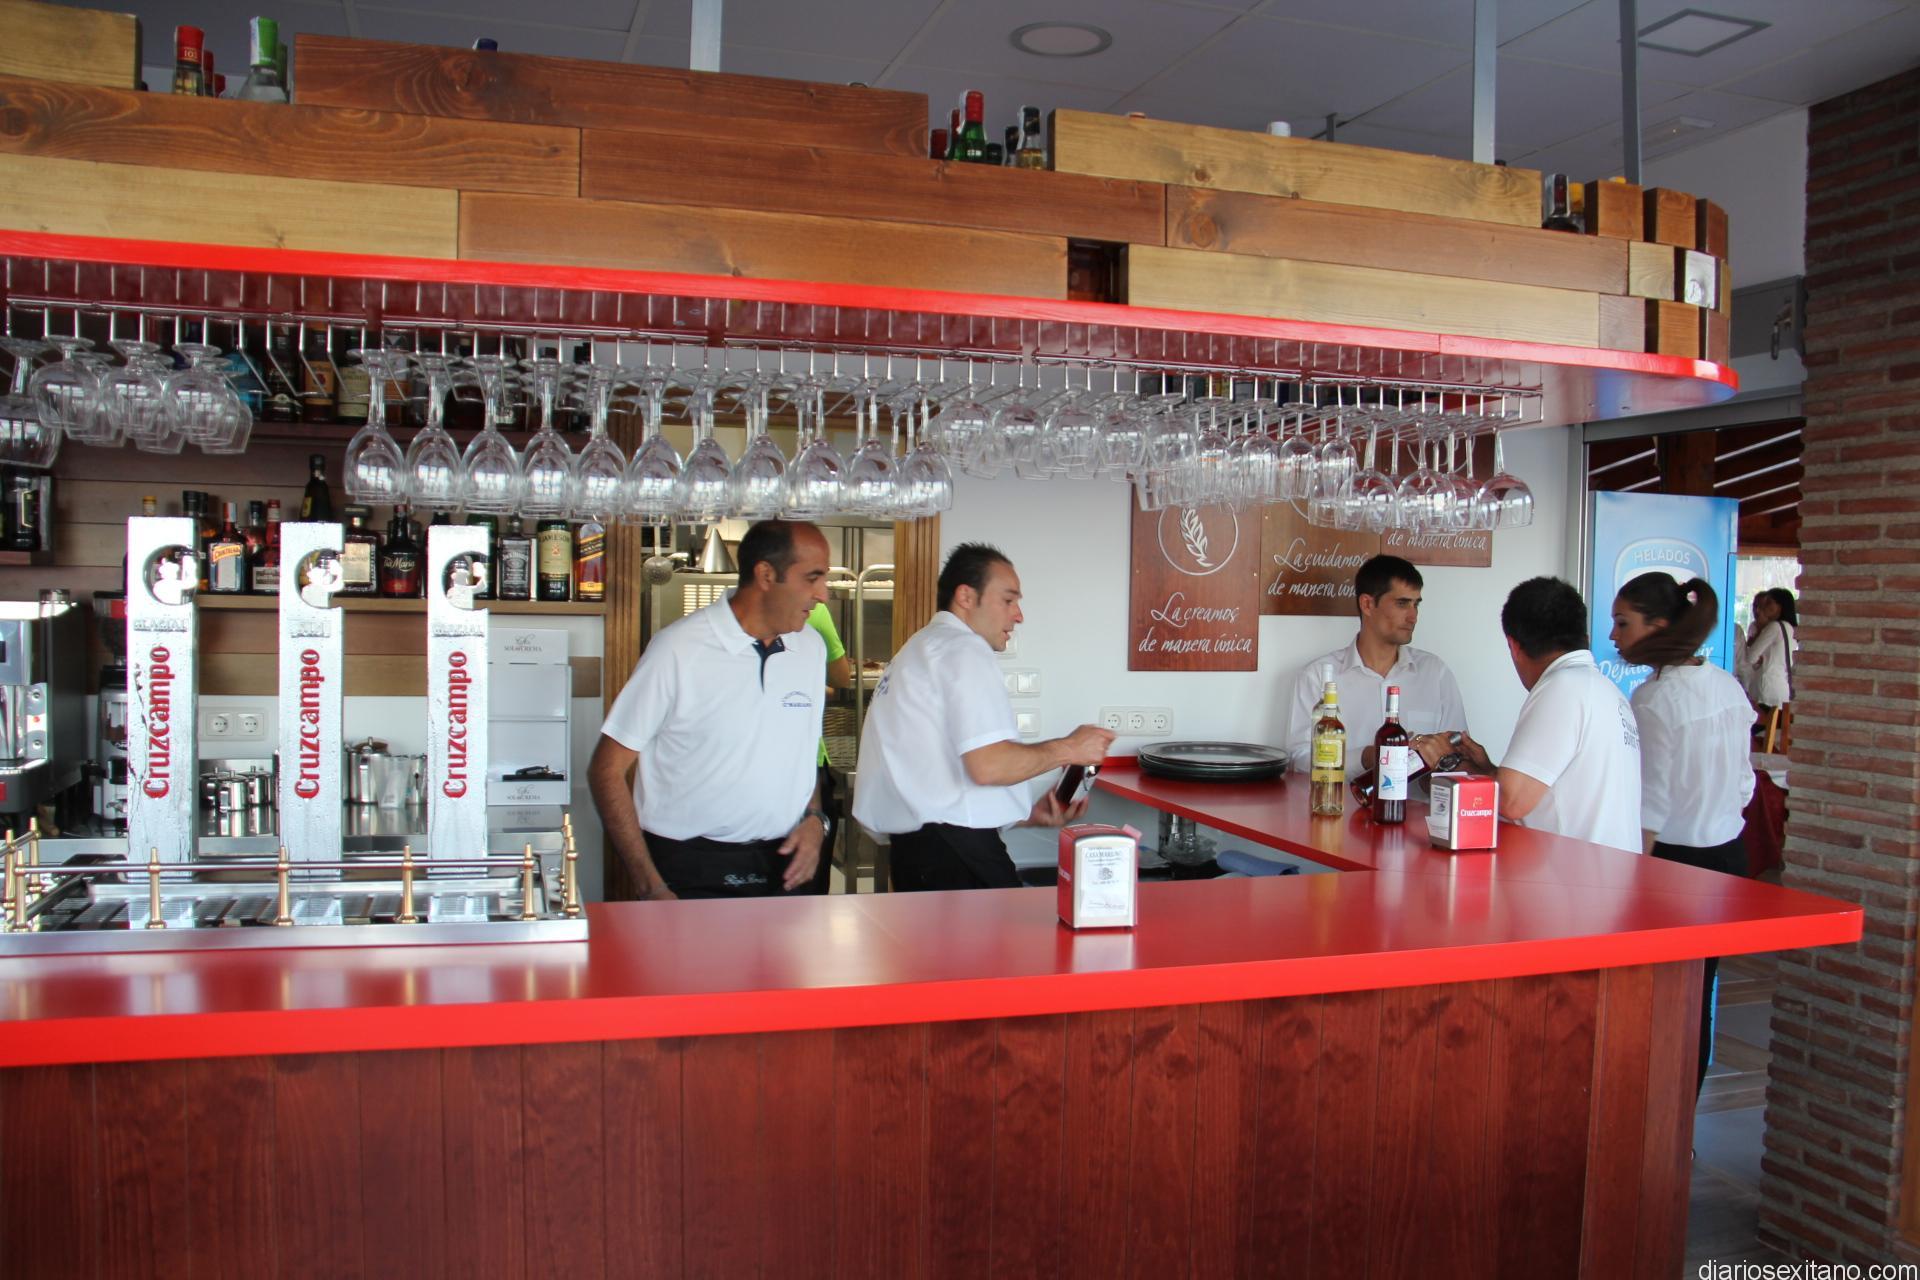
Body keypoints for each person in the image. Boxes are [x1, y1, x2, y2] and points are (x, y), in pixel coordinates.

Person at [588, 520, 833, 900]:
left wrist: (815, 820)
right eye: (812, 578)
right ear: (766, 575)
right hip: (691, 869)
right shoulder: (678, 649)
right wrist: (649, 884)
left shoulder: (811, 649)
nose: (824, 595)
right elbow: (606, 770)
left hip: (786, 868)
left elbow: (800, 754)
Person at [853, 543, 1114, 891]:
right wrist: (1072, 748)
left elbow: (939, 777)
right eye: (1008, 600)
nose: (1018, 615)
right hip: (953, 853)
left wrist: (1026, 814)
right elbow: (988, 766)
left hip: (921, 852)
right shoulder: (963, 648)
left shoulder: (919, 648)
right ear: (965, 597)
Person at [1611, 574, 1756, 1095]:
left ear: (1660, 626)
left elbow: (1651, 806)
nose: (1613, 635)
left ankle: (1652, 1116)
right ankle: (1679, 1121)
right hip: (1728, 858)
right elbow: (1745, 783)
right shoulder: (1727, 685)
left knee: (1660, 998)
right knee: (1697, 994)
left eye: (1623, 623)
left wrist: (1626, 883)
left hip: (1674, 866)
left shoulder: (1655, 698)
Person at [1455, 577, 1642, 853]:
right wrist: (1486, 769)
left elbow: (1511, 801)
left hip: (1575, 874)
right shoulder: (1606, 690)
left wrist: (1452, 764)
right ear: (1584, 636)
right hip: (1604, 869)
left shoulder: (1563, 687)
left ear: (1514, 646)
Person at [1280, 555, 1469, 775]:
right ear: (1367, 604)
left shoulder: (1435, 673)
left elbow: (1460, 754)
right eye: (1402, 603)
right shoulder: (1318, 677)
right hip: (1344, 797)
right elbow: (1299, 760)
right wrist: (1366, 757)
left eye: (1416, 604)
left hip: (1421, 798)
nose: (1413, 617)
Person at [805, 601, 854, 894]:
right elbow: (841, 677)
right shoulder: (816, 612)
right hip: (810, 763)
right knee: (811, 882)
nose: (821, 592)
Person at [1746, 587, 1797, 728]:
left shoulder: (1774, 627)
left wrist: (1760, 629)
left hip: (1765, 691)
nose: (1763, 606)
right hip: (1781, 689)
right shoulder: (1790, 627)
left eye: (1769, 602)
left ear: (1780, 606)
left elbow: (1751, 656)